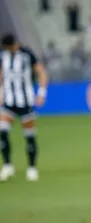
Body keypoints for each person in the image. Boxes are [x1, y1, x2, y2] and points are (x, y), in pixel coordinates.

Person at [0, 34, 48, 182]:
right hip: (9, 101)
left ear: (16, 44)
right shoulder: (3, 56)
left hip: (26, 101)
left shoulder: (27, 55)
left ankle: (32, 167)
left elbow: (41, 72)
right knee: (2, 130)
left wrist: (41, 92)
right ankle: (8, 165)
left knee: (29, 135)